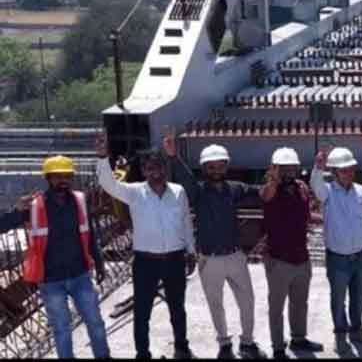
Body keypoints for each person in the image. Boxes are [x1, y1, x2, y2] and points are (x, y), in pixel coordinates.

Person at [95, 132, 196, 359]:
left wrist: (191, 252)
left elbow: (185, 222)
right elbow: (108, 184)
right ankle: (142, 353)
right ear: (144, 170)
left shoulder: (178, 192)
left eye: (159, 167)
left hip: (174, 259)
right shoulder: (134, 192)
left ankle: (181, 346)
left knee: (177, 309)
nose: (155, 172)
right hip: (145, 263)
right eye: (150, 168)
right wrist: (102, 157)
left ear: (165, 169)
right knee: (142, 312)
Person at [163, 132, 263, 359]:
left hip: (235, 256)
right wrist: (173, 156)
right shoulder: (197, 192)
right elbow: (185, 177)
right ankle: (224, 344)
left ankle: (247, 342)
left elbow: (260, 192)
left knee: (247, 301)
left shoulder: (235, 188)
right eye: (211, 167)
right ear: (204, 169)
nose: (216, 170)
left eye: (220, 166)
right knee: (215, 304)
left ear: (226, 166)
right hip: (209, 259)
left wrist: (274, 181)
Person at [0, 156, 110, 359]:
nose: (63, 181)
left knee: (95, 322)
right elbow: (3, 225)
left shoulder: (79, 201)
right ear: (48, 178)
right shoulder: (34, 205)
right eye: (57, 176)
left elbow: (89, 234)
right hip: (51, 280)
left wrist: (99, 262)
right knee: (61, 330)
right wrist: (16, 210)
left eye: (66, 176)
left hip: (80, 275)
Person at [311, 146, 362, 353]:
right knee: (338, 299)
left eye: (350, 169)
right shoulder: (327, 192)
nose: (348, 173)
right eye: (343, 170)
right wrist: (318, 168)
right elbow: (316, 186)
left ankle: (356, 330)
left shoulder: (361, 191)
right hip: (337, 259)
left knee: (359, 297)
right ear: (334, 172)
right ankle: (340, 333)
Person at [260, 147, 324, 359]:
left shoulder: (301, 189)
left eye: (291, 169)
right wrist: (274, 180)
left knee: (300, 302)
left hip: (301, 257)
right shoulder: (269, 189)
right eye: (283, 169)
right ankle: (278, 347)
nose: (288, 173)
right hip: (278, 259)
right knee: (276, 307)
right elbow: (266, 194)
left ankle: (298, 338)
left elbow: (306, 215)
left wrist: (325, 217)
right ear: (274, 169)